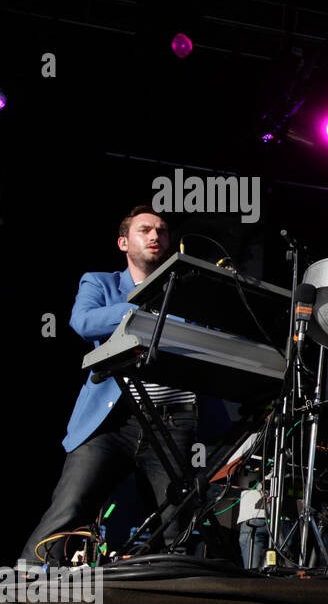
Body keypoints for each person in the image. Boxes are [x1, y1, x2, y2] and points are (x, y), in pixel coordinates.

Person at [19, 206, 204, 565]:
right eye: (145, 229)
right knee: (67, 511)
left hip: (172, 422)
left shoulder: (187, 290)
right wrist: (145, 312)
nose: (155, 236)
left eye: (163, 231)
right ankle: (24, 591)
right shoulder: (100, 282)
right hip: (113, 420)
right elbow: (83, 322)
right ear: (124, 242)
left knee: (175, 529)